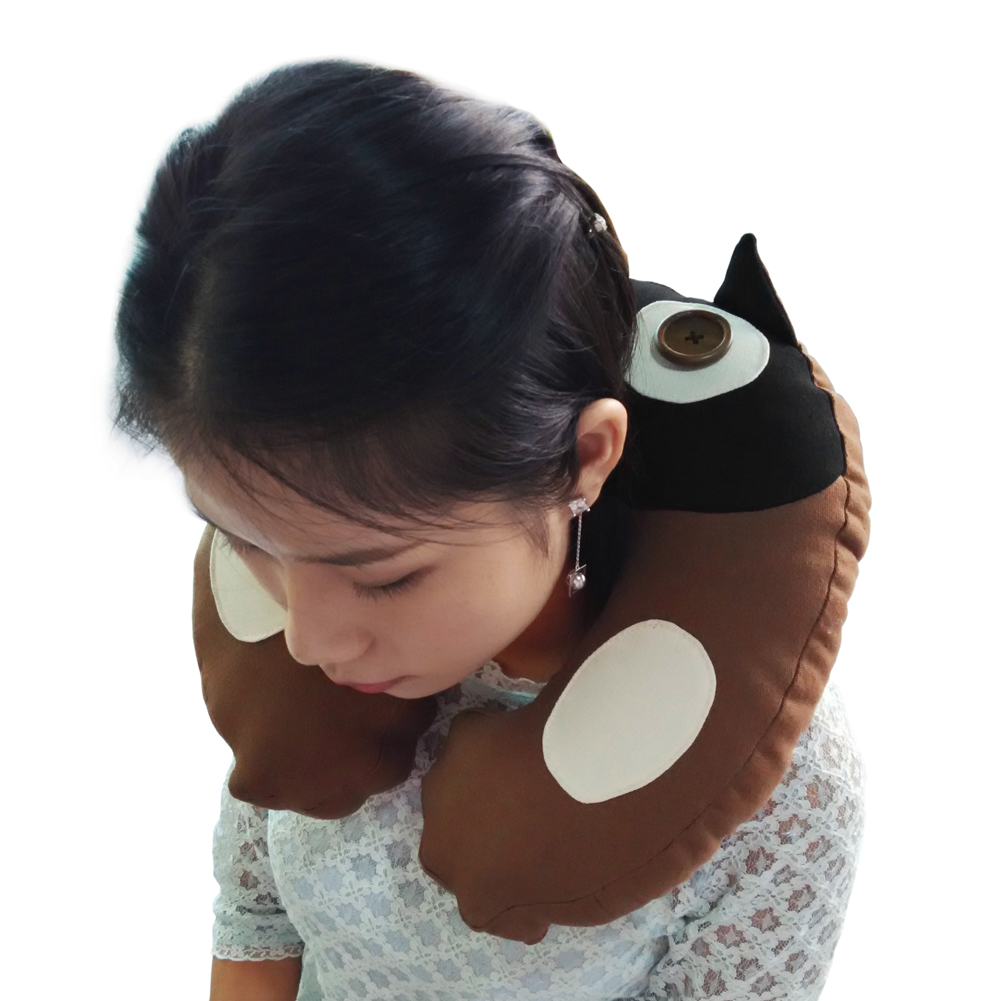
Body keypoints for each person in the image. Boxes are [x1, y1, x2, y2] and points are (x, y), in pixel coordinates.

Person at [113, 59, 865, 1001]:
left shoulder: (779, 795)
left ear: (584, 457)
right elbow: (257, 909)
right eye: (247, 542)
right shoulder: (305, 654)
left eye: (384, 576)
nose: (307, 639)